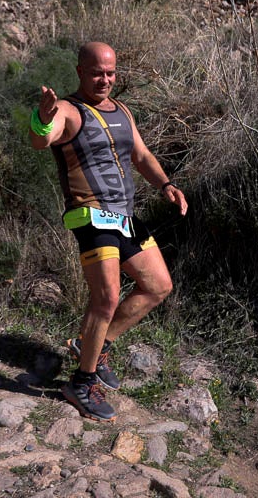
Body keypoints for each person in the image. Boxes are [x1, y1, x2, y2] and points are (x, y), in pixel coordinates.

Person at [29, 41, 188, 422]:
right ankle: (82, 383)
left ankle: (92, 346)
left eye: (111, 73)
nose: (105, 79)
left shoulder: (122, 111)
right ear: (81, 71)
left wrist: (165, 184)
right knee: (106, 298)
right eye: (98, 72)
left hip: (125, 216)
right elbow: (41, 140)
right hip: (90, 216)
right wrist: (41, 117)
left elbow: (142, 155)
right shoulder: (68, 110)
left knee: (158, 286)